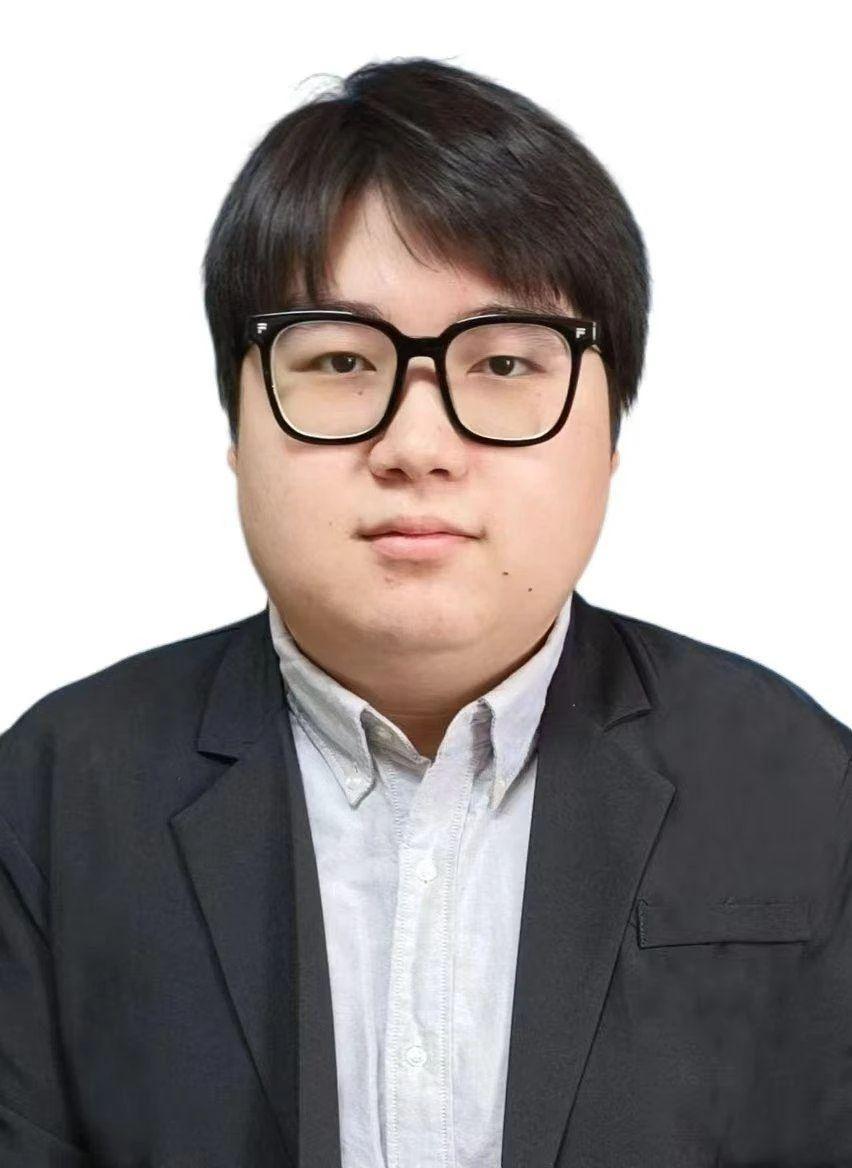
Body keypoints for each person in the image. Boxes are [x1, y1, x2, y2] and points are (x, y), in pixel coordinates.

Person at [1, 56, 849, 1168]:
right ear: (235, 430)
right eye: (339, 360)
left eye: (502, 363)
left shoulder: (804, 783)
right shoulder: (51, 796)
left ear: (611, 438)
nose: (417, 446)